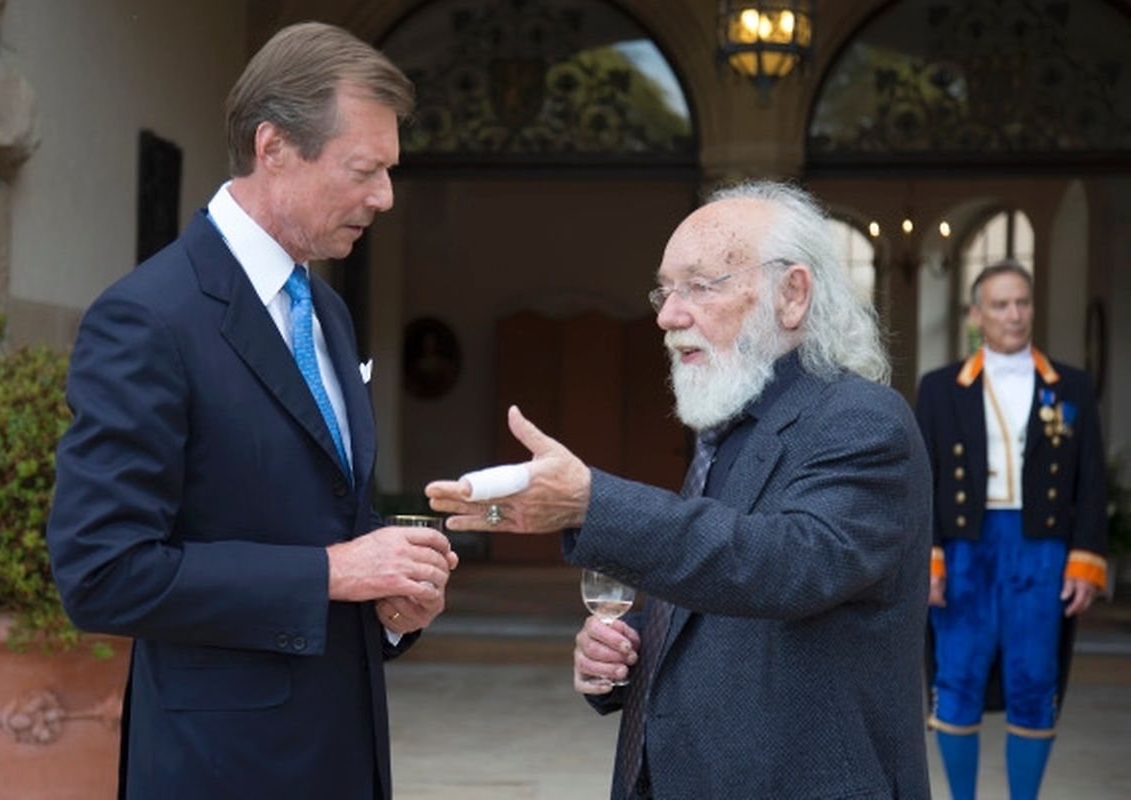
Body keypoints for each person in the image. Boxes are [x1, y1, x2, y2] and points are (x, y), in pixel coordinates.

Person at [47, 23, 458, 800]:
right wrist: (334, 572)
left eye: (390, 171)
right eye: (365, 170)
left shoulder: (327, 313)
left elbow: (328, 527)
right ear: (274, 148)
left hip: (345, 757)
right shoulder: (147, 318)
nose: (386, 196)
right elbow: (100, 573)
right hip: (220, 770)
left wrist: (393, 603)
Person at [427, 181, 932, 799]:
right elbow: (719, 585)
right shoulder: (729, 423)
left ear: (792, 295)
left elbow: (783, 566)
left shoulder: (863, 421)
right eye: (665, 290)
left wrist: (593, 502)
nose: (667, 316)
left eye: (699, 285)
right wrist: (632, 647)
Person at [916, 260, 1107, 800]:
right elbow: (922, 479)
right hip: (962, 549)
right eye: (1000, 304)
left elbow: (1089, 477)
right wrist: (928, 558)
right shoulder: (939, 388)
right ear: (977, 314)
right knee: (956, 680)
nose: (1014, 314)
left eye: (1022, 302)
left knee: (1034, 679)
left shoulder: (1069, 385)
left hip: (1041, 549)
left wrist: (1085, 559)